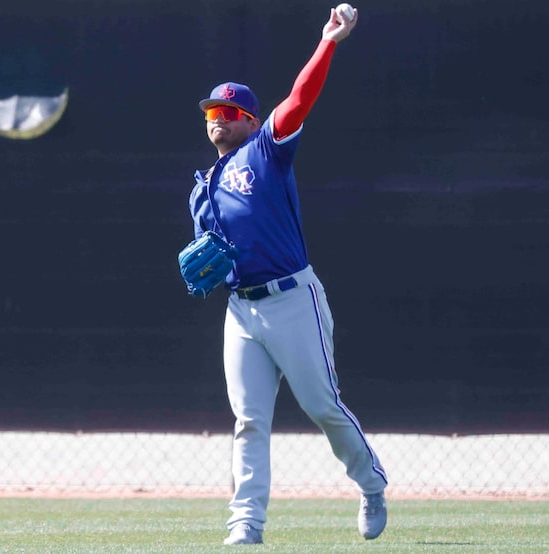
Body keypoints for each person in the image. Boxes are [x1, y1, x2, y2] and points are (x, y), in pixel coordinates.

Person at [186, 6, 389, 546]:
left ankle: (370, 485)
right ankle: (245, 525)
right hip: (242, 311)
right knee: (249, 420)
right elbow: (211, 257)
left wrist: (328, 42)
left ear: (250, 120)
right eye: (213, 109)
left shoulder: (265, 151)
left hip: (293, 299)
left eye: (230, 109)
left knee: (322, 405)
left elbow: (299, 100)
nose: (219, 115)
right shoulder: (202, 188)